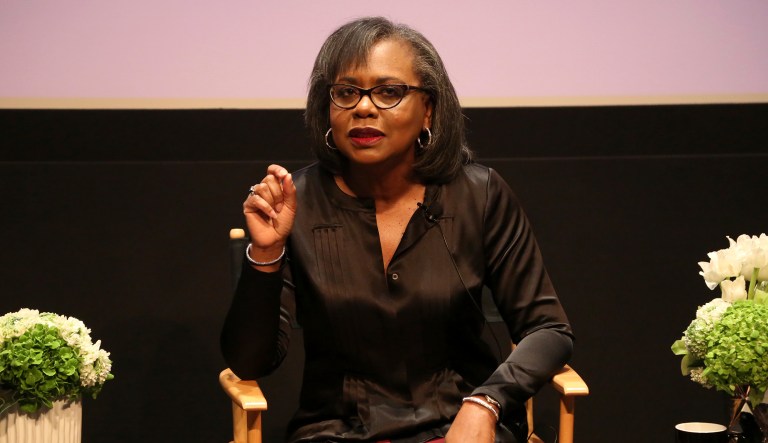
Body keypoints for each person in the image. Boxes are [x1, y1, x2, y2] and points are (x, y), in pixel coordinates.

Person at [221, 16, 573, 443]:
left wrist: (487, 402)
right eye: (346, 92)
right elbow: (250, 362)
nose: (364, 107)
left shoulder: (479, 194)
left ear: (429, 109)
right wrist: (266, 254)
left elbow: (548, 329)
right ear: (327, 108)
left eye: (389, 92)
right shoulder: (294, 202)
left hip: (462, 426)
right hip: (337, 432)